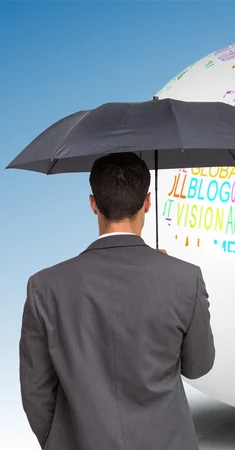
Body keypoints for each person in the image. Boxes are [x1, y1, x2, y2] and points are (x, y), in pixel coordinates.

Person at [19, 152, 215, 450]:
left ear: (93, 203)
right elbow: (198, 365)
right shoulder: (185, 279)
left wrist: (59, 441)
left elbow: (35, 388)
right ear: (147, 202)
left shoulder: (44, 287)